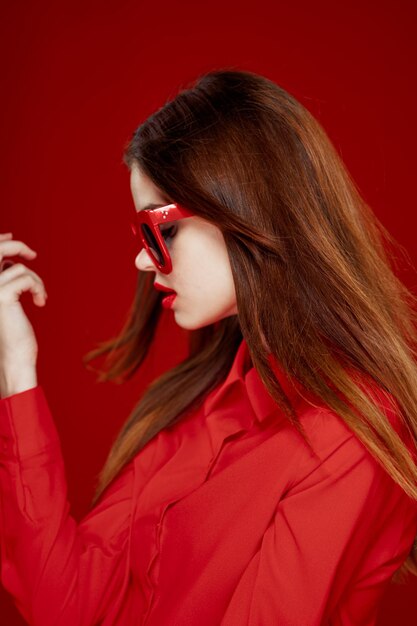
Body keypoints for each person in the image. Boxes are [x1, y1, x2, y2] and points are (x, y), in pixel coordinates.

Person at [0, 68, 417, 626]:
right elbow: (67, 607)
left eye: (161, 229)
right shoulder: (203, 400)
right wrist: (15, 368)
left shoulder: (354, 431)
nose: (144, 261)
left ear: (248, 209)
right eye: (142, 234)